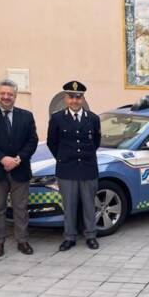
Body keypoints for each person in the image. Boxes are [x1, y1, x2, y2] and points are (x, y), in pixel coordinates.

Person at [0, 79, 39, 257]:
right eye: (2, 94)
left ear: (15, 96)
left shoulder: (26, 116)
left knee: (21, 208)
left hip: (20, 169)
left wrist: (18, 158)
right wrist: (2, 159)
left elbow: (32, 141)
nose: (6, 97)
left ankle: (22, 241)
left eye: (10, 94)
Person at [47, 81, 101, 251]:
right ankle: (69, 237)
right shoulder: (57, 118)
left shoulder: (93, 118)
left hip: (87, 168)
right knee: (69, 205)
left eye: (78, 97)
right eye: (71, 97)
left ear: (83, 98)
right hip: (67, 168)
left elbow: (96, 142)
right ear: (65, 98)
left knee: (89, 204)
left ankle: (91, 236)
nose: (75, 101)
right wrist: (64, 158)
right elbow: (52, 143)